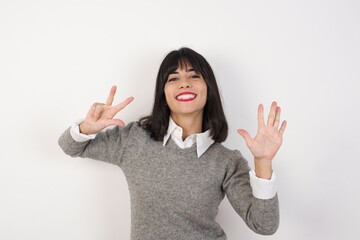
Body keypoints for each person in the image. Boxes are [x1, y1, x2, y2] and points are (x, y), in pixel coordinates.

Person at [58, 47, 287, 240]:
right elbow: (70, 146)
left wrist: (263, 162)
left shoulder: (227, 161)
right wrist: (88, 126)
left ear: (209, 89)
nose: (184, 83)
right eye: (173, 78)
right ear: (163, 94)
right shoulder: (135, 139)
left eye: (194, 76)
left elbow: (264, 225)